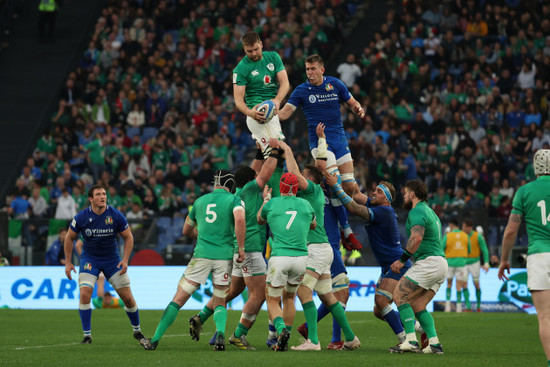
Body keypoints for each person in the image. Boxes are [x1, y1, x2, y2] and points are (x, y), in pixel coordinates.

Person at [188, 139, 281, 350]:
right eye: (254, 177)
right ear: (250, 181)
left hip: (238, 251)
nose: (257, 177)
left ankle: (201, 317)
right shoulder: (250, 190)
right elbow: (264, 173)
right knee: (259, 294)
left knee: (233, 290)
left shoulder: (238, 192)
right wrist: (274, 151)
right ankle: (239, 334)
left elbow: (254, 171)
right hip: (249, 249)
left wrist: (259, 152)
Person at [323, 160, 426, 347]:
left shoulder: (384, 211)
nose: (373, 193)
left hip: (397, 263)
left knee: (381, 300)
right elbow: (356, 195)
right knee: (378, 311)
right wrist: (348, 178)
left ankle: (406, 340)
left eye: (378, 192)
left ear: (386, 198)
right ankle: (418, 327)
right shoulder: (377, 205)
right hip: (388, 265)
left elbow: (353, 207)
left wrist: (335, 186)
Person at [142, 170, 246, 351]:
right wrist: (241, 247)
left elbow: (186, 231)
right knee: (220, 298)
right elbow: (239, 219)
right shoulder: (234, 200)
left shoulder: (200, 201)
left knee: (179, 299)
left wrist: (203, 235)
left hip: (201, 256)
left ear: (215, 184)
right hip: (223, 256)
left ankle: (155, 340)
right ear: (230, 185)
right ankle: (220, 336)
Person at [280, 142, 360, 351]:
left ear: (311, 180)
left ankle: (313, 341)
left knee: (303, 291)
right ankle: (350, 337)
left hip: (316, 249)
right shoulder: (308, 195)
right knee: (328, 297)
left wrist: (287, 149)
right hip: (323, 249)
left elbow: (296, 177)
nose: (300, 178)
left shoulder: (313, 190)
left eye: (304, 174)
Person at [64, 184, 145, 345]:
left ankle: (137, 331)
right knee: (85, 293)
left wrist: (126, 259)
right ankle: (87, 336)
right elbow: (68, 238)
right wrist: (68, 263)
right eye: (98, 194)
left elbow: (128, 237)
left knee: (128, 298)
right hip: (90, 260)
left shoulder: (115, 215)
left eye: (104, 194)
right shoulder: (81, 217)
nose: (103, 197)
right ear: (91, 199)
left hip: (112, 260)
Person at [279, 54, 365, 197]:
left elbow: (353, 102)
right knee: (335, 182)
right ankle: (329, 214)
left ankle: (372, 212)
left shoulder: (335, 84)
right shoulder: (301, 90)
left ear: (322, 70)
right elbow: (284, 113)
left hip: (339, 139)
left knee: (350, 188)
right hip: (320, 142)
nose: (310, 73)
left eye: (313, 69)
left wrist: (358, 108)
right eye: (307, 69)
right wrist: (269, 114)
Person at [499, 149, 550, 366]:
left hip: (539, 255)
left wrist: (503, 259)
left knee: (545, 316)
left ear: (535, 167)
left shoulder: (524, 191)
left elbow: (511, 231)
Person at [257, 172, 315, 351]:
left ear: (280, 187)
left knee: (272, 299)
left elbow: (259, 220)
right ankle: (285, 340)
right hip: (301, 258)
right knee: (290, 297)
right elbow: (313, 225)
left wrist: (265, 200)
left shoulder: (273, 203)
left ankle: (281, 330)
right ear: (296, 188)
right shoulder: (306, 204)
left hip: (280, 257)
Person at [389, 179, 447, 354]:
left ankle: (411, 341)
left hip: (428, 262)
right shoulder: (430, 212)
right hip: (441, 264)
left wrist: (402, 260)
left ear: (412, 194)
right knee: (418, 305)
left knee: (399, 295)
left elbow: (416, 238)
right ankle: (435, 343)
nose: (404, 197)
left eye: (406, 194)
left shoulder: (417, 211)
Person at [233, 31, 289, 157]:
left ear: (261, 44)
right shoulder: (241, 68)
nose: (253, 54)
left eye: (256, 49)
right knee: (277, 154)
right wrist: (250, 113)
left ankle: (256, 177)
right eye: (249, 51)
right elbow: (238, 100)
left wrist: (277, 100)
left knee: (277, 156)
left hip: (272, 113)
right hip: (256, 115)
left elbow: (285, 83)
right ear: (244, 50)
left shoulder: (273, 57)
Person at [442, 218, 470, 313]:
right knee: (459, 286)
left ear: (451, 225)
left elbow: (441, 247)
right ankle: (458, 307)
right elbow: (469, 249)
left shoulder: (448, 235)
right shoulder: (465, 236)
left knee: (449, 284)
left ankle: (448, 307)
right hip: (461, 263)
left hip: (449, 263)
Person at [462, 221, 489, 312]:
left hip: (475, 263)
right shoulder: (462, 236)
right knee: (464, 284)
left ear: (470, 227)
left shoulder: (478, 236)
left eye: (465, 227)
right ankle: (468, 306)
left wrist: (486, 263)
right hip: (464, 262)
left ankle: (478, 306)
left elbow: (484, 249)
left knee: (476, 284)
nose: (463, 229)